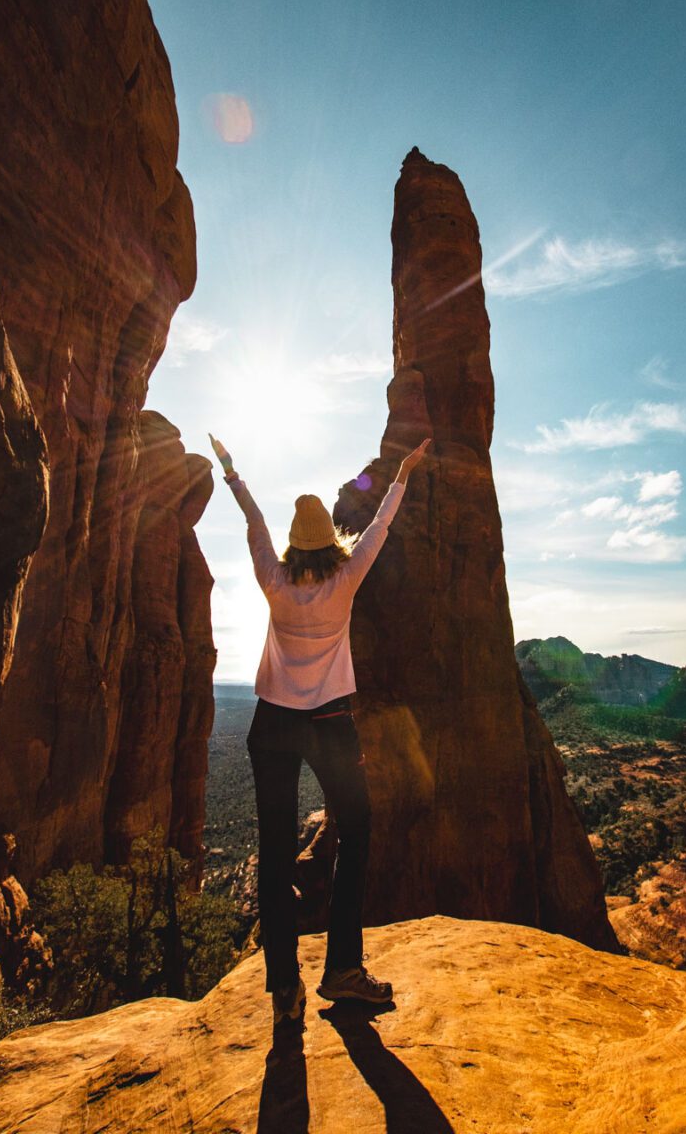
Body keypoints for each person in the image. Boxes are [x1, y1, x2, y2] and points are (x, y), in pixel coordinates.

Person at [209, 433, 431, 1025]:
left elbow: (254, 522)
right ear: (329, 543)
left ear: (291, 544)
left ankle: (286, 989)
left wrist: (232, 470)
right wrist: (403, 473)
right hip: (331, 722)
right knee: (356, 832)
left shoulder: (273, 581)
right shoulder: (344, 580)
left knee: (274, 852)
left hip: (273, 724)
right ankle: (342, 971)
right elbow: (379, 526)